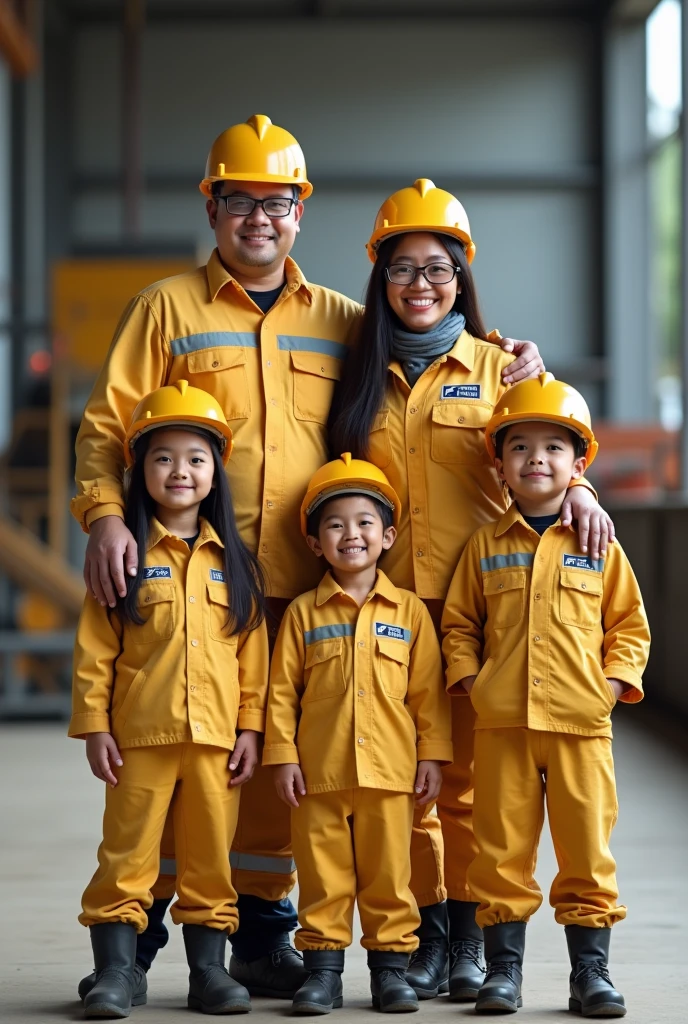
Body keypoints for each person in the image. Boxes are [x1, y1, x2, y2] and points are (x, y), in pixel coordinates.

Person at [72, 121, 543, 1000]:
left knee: (274, 777)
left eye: (278, 202)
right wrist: (106, 518)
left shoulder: (341, 319)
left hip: (315, 585)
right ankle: (132, 946)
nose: (261, 217)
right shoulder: (165, 309)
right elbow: (108, 428)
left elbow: (439, 341)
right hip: (197, 582)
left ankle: (259, 934)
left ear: (300, 214)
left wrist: (530, 371)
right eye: (242, 200)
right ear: (212, 206)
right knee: (173, 767)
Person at [328, 178, 615, 1002]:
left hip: (484, 617)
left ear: (463, 277)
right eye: (404, 269)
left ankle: (472, 947)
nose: (422, 285)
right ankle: (424, 940)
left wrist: (587, 496)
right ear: (380, 279)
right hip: (383, 619)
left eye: (439, 268)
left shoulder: (503, 369)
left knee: (470, 796)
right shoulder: (354, 377)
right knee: (405, 788)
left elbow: (552, 454)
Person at [441, 373, 650, 1016]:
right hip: (502, 726)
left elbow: (629, 627)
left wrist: (608, 688)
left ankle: (591, 974)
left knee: (586, 848)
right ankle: (503, 974)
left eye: (554, 448)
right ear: (499, 465)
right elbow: (459, 626)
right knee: (499, 853)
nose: (537, 459)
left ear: (578, 463)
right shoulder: (484, 546)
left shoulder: (597, 544)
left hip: (581, 728)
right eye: (521, 448)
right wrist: (476, 685)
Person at [69, 381, 269, 1018]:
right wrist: (95, 726)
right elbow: (95, 651)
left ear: (217, 471)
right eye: (162, 457)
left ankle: (209, 974)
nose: (179, 471)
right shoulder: (124, 558)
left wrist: (251, 730)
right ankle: (117, 974)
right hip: (139, 740)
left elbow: (253, 661)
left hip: (216, 744)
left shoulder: (235, 566)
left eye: (195, 458)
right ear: (138, 469)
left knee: (210, 861)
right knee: (127, 858)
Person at [264, 454, 453, 1014]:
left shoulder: (412, 612)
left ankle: (390, 971)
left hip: (392, 775)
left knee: (390, 878)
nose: (352, 534)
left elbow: (428, 695)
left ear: (389, 535)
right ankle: (322, 973)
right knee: (323, 879)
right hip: (318, 776)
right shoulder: (302, 614)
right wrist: (283, 757)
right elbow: (281, 694)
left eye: (366, 522)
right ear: (316, 543)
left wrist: (432, 757)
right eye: (336, 524)